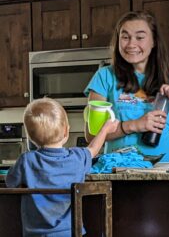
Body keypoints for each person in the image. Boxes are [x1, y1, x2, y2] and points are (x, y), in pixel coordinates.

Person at [85, 10, 169, 163]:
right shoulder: (104, 77)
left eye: (140, 37)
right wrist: (133, 125)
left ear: (153, 42)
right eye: (125, 37)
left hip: (168, 170)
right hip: (117, 171)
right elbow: (91, 135)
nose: (131, 44)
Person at [5, 97, 119, 237]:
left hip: (34, 234)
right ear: (66, 132)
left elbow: (10, 183)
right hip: (70, 232)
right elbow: (93, 148)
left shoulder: (26, 161)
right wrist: (105, 129)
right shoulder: (77, 158)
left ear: (29, 137)